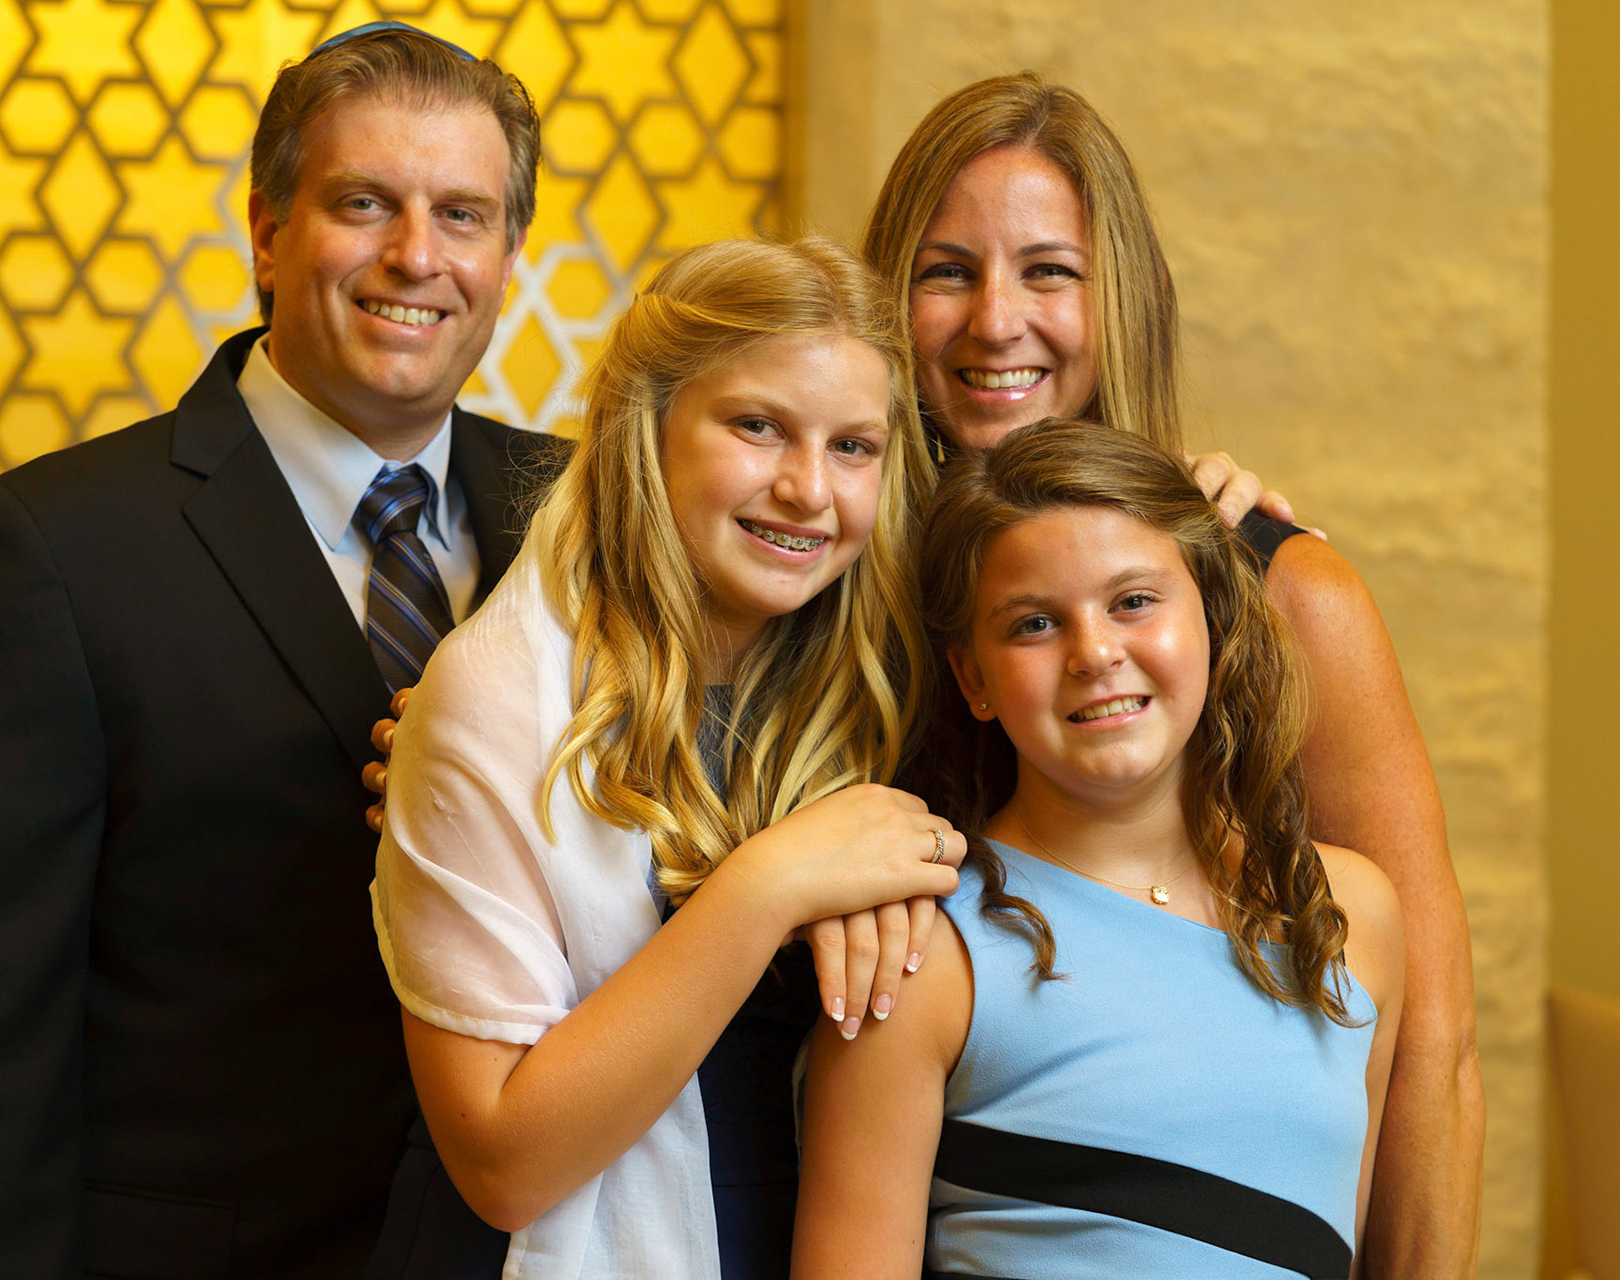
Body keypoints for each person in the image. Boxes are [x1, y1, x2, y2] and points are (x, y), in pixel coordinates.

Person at [0, 24, 564, 1279]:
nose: (418, 254)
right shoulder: (52, 550)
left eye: (463, 214)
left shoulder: (588, 526)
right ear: (266, 229)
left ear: (509, 254)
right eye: (364, 203)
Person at [860, 73, 1480, 1273]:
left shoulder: (1281, 591)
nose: (996, 321)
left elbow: (1432, 1052)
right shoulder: (838, 585)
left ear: (1123, 299)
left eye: (1049, 271)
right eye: (946, 271)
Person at [370, 236, 964, 1278]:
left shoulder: (889, 690)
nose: (808, 489)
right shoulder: (495, 695)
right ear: (649, 426)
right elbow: (504, 1161)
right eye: (757, 426)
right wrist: (770, 884)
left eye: (854, 447)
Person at [793, 419, 1405, 1279]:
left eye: (1134, 601)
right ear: (973, 679)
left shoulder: (1345, 913)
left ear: (1214, 619)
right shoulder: (921, 950)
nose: (1095, 653)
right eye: (1035, 623)